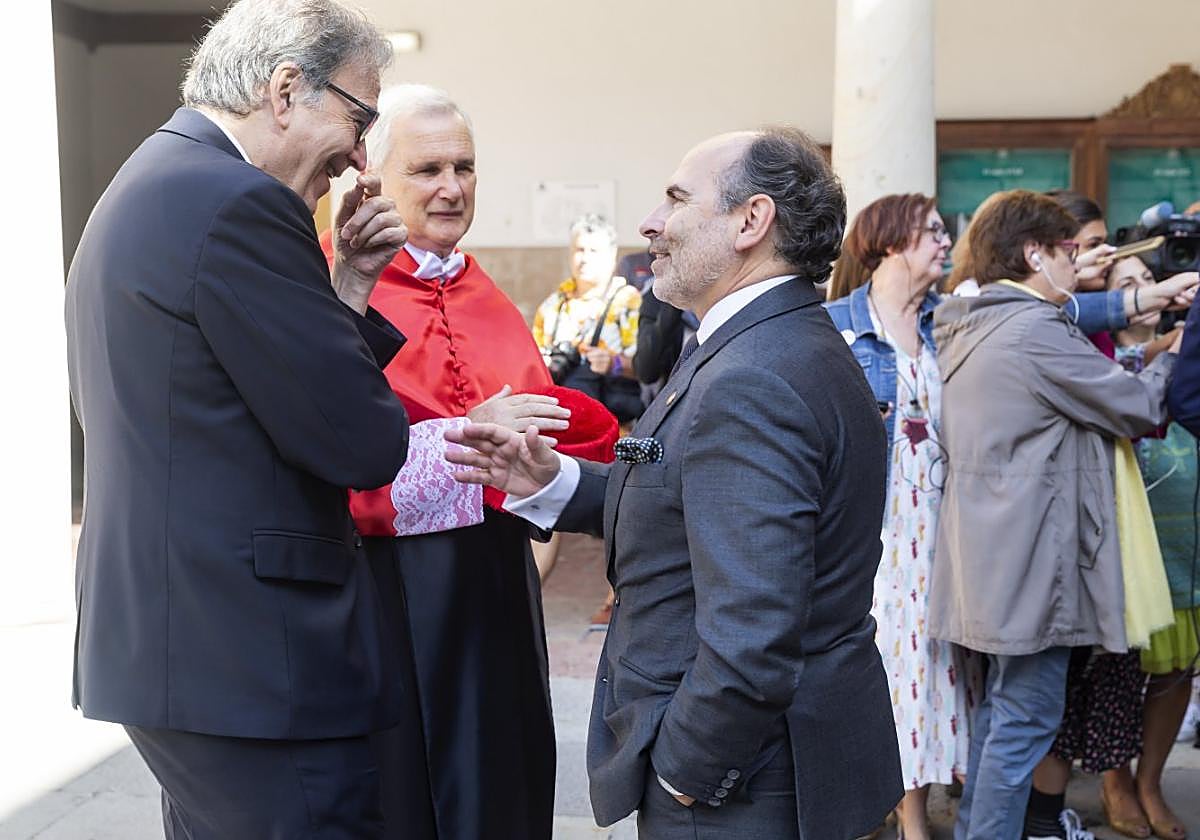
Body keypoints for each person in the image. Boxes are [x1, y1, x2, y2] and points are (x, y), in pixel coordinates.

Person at [448, 126, 903, 839]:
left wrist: (685, 773)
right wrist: (559, 481)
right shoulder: (764, 340)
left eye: (676, 199)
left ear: (751, 221)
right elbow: (684, 485)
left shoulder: (751, 375)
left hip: (747, 794)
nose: (650, 223)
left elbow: (752, 635)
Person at [64, 1, 412, 836]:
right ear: (287, 88)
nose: (361, 155)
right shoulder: (239, 205)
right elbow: (360, 441)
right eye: (360, 117)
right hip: (251, 657)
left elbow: (231, 396)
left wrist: (348, 292)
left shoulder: (156, 178)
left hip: (185, 645)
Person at [319, 83, 579, 840]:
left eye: (464, 168)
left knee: (500, 781)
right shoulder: (331, 285)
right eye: (428, 169)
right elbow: (329, 444)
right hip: (386, 593)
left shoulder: (484, 291)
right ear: (373, 175)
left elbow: (560, 431)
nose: (451, 187)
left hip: (494, 590)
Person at [929, 190, 1181, 840]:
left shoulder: (974, 319)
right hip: (1032, 563)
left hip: (994, 558)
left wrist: (1140, 301)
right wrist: (1177, 355)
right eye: (1069, 251)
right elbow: (1136, 406)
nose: (1080, 262)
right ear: (1034, 254)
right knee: (1026, 720)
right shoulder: (1033, 330)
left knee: (1005, 717)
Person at [824, 193, 979, 840]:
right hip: (877, 524)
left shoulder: (952, 322)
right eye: (933, 232)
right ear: (889, 241)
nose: (945, 243)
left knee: (938, 663)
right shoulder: (835, 324)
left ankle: (919, 799)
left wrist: (1140, 301)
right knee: (890, 664)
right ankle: (892, 806)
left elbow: (1046, 314)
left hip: (944, 520)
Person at [1110, 255, 1194, 840]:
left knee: (1178, 670)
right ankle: (1115, 781)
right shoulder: (1099, 357)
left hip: (1187, 541)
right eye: (1126, 284)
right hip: (1133, 552)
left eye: (1148, 278)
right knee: (1121, 673)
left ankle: (1151, 780)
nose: (1143, 290)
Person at [532, 214, 644, 424]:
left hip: (616, 428)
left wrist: (614, 364)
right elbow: (532, 366)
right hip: (560, 426)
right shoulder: (553, 306)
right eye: (579, 250)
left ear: (612, 256)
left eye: (593, 251)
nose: (584, 259)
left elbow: (651, 370)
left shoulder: (629, 302)